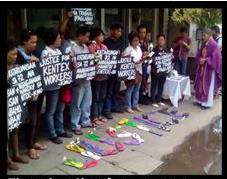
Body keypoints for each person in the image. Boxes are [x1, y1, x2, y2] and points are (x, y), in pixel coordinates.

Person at [16, 29, 47, 160]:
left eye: (36, 42)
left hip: (37, 89)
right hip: (25, 92)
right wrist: (29, 61)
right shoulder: (17, 54)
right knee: (31, 120)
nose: (35, 44)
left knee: (37, 118)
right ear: (24, 42)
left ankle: (34, 141)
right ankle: (30, 147)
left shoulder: (35, 52)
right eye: (32, 42)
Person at [41, 28, 73, 144]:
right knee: (51, 111)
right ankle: (52, 133)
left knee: (60, 108)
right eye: (58, 38)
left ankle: (60, 130)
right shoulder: (45, 53)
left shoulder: (58, 52)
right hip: (52, 87)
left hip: (61, 84)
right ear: (52, 39)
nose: (60, 40)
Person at [7, 40, 29, 170]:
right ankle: (8, 159)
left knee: (15, 129)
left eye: (16, 54)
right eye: (12, 54)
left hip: (15, 104)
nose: (15, 57)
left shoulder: (16, 67)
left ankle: (15, 154)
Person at [70, 26, 96, 135]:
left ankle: (85, 121)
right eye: (86, 37)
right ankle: (75, 124)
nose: (87, 39)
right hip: (78, 80)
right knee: (76, 103)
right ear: (80, 36)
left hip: (87, 79)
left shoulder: (85, 47)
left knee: (87, 102)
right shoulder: (72, 47)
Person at [194, 28, 222, 109]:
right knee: (200, 84)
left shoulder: (214, 45)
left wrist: (205, 60)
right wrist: (200, 59)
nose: (203, 37)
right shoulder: (203, 44)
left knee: (207, 86)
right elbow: (198, 54)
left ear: (209, 35)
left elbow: (217, 59)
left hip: (209, 70)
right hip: (201, 68)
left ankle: (207, 104)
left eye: (204, 35)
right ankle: (200, 101)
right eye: (203, 35)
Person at [102, 23, 124, 120]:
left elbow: (121, 54)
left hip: (117, 71)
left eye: (120, 31)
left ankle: (114, 107)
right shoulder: (106, 42)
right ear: (112, 31)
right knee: (108, 91)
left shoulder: (120, 42)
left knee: (116, 90)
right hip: (108, 72)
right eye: (118, 31)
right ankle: (107, 110)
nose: (119, 33)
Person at [88, 27, 108, 125]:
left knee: (102, 96)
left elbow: (108, 59)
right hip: (96, 77)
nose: (102, 37)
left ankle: (100, 114)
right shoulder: (91, 47)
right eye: (100, 35)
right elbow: (93, 61)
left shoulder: (104, 47)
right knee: (95, 97)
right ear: (95, 37)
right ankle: (94, 116)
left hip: (104, 75)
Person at [123, 31, 143, 113]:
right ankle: (128, 106)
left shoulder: (138, 48)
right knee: (130, 89)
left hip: (139, 70)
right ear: (130, 41)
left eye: (137, 40)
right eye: (134, 40)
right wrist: (134, 62)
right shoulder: (128, 50)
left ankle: (135, 105)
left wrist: (144, 58)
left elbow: (140, 57)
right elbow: (124, 62)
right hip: (131, 72)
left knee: (137, 89)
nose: (136, 42)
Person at [150, 34, 173, 108]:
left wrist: (172, 57)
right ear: (157, 41)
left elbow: (171, 58)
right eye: (159, 39)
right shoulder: (154, 50)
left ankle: (159, 100)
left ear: (164, 40)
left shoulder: (167, 49)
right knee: (154, 86)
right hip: (155, 71)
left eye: (162, 39)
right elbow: (150, 60)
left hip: (164, 71)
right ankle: (153, 100)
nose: (161, 41)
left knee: (161, 86)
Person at [137, 25, 149, 105]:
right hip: (138, 64)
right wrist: (142, 54)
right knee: (137, 82)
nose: (142, 34)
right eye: (141, 32)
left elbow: (147, 51)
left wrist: (148, 54)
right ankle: (136, 99)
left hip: (145, 64)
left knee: (143, 81)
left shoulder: (146, 42)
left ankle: (141, 97)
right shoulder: (136, 42)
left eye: (144, 32)